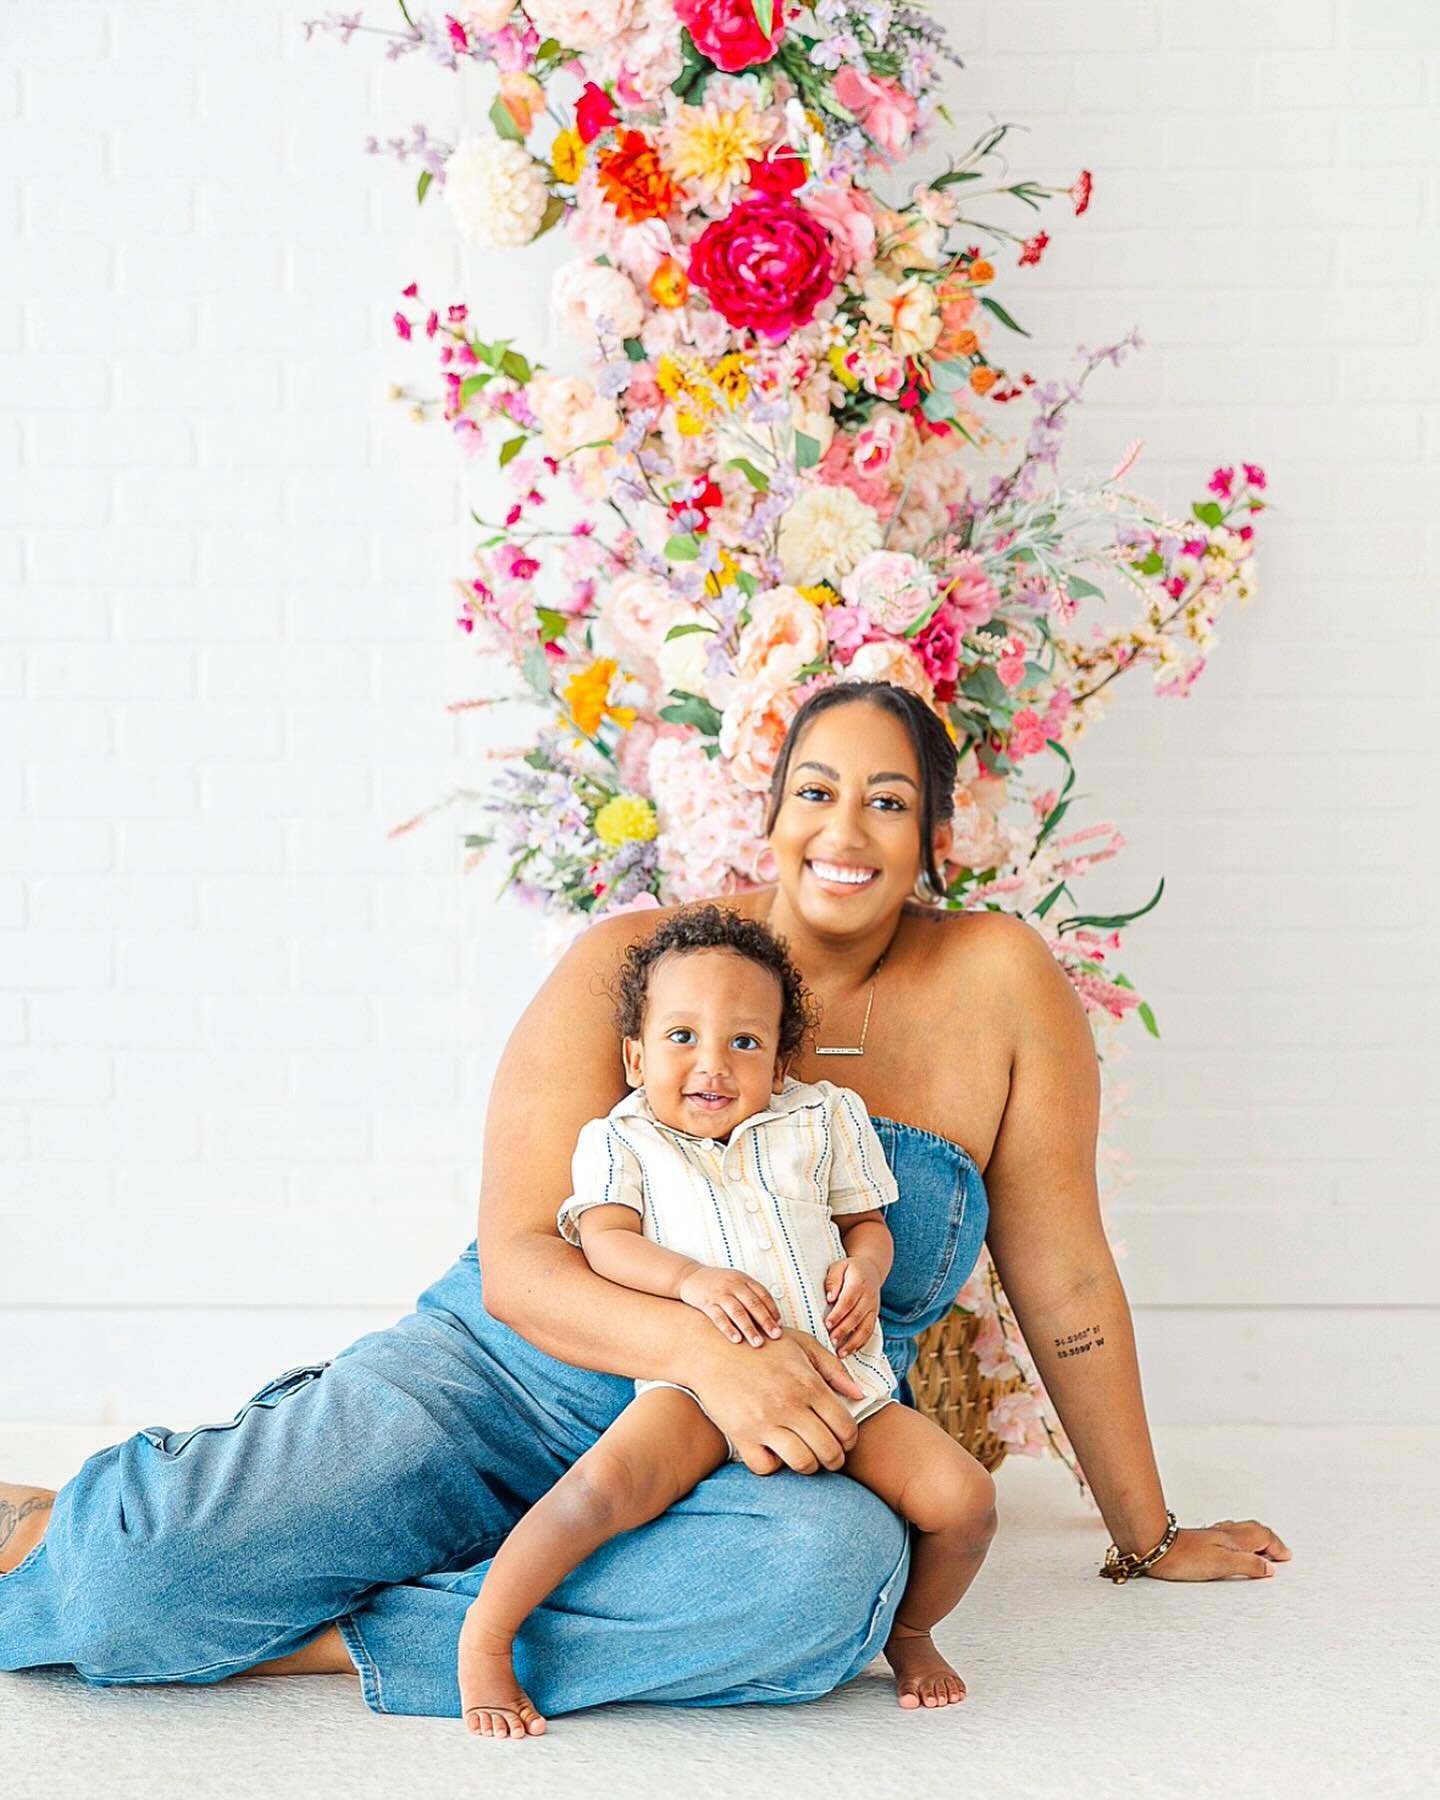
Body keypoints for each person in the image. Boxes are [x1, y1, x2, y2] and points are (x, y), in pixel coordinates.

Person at [0, 680, 1292, 1723]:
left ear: (935, 835)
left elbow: (1061, 1277)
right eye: (815, 794)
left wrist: (1146, 1531)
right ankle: (144, 1518)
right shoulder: (630, 964)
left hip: (791, 1430)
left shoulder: (1003, 984)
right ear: (771, 812)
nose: (844, 835)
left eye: (887, 803)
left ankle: (339, 1635)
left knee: (819, 1588)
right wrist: (694, 1352)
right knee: (128, 1593)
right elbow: (518, 1261)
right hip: (507, 1378)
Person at [458, 906, 992, 1737]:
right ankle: (486, 1641)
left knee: (965, 1500)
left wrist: (867, 1269)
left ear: (780, 1062)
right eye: (681, 1037)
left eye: (744, 1043)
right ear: (635, 1055)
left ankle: (912, 1631)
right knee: (603, 1491)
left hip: (837, 1378)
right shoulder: (624, 1139)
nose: (712, 1064)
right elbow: (604, 1242)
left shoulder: (820, 1119)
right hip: (695, 1383)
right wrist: (692, 1281)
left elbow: (867, 1222)